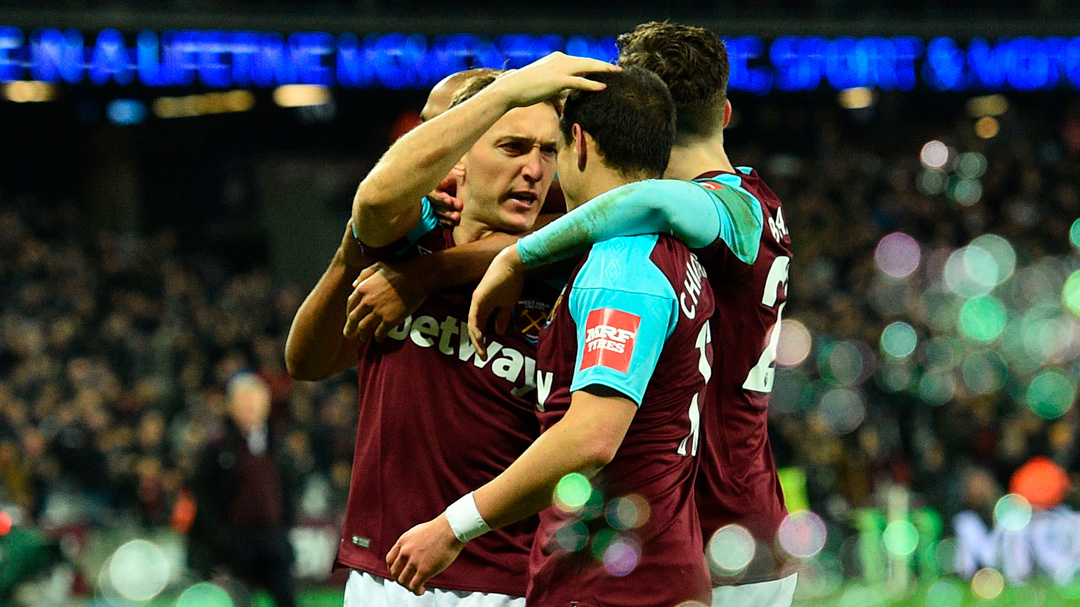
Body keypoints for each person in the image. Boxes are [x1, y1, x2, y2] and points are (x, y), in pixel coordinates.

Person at [468, 22, 798, 607]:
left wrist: (516, 257)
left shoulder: (725, 209)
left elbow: (646, 199)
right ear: (724, 114)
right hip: (740, 520)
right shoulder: (753, 205)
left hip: (708, 533)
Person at [285, 53, 617, 606]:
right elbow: (307, 362)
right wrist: (354, 251)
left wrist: (425, 275)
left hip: (511, 581)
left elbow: (588, 219)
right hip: (383, 575)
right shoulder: (408, 243)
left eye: (548, 152)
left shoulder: (575, 261)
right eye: (513, 148)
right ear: (457, 157)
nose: (534, 170)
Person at [387, 67, 714, 606]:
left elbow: (591, 438)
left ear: (578, 142)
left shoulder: (621, 269)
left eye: (554, 145)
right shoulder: (673, 253)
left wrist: (452, 525)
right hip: (653, 564)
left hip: (616, 580)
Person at [187, 373, 300, 607]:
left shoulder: (278, 444)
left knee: (286, 598)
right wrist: (219, 535)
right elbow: (201, 491)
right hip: (236, 541)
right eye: (244, 401)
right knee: (240, 600)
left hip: (273, 538)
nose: (250, 407)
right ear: (231, 406)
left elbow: (290, 487)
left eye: (255, 400)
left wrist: (285, 525)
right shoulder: (217, 447)